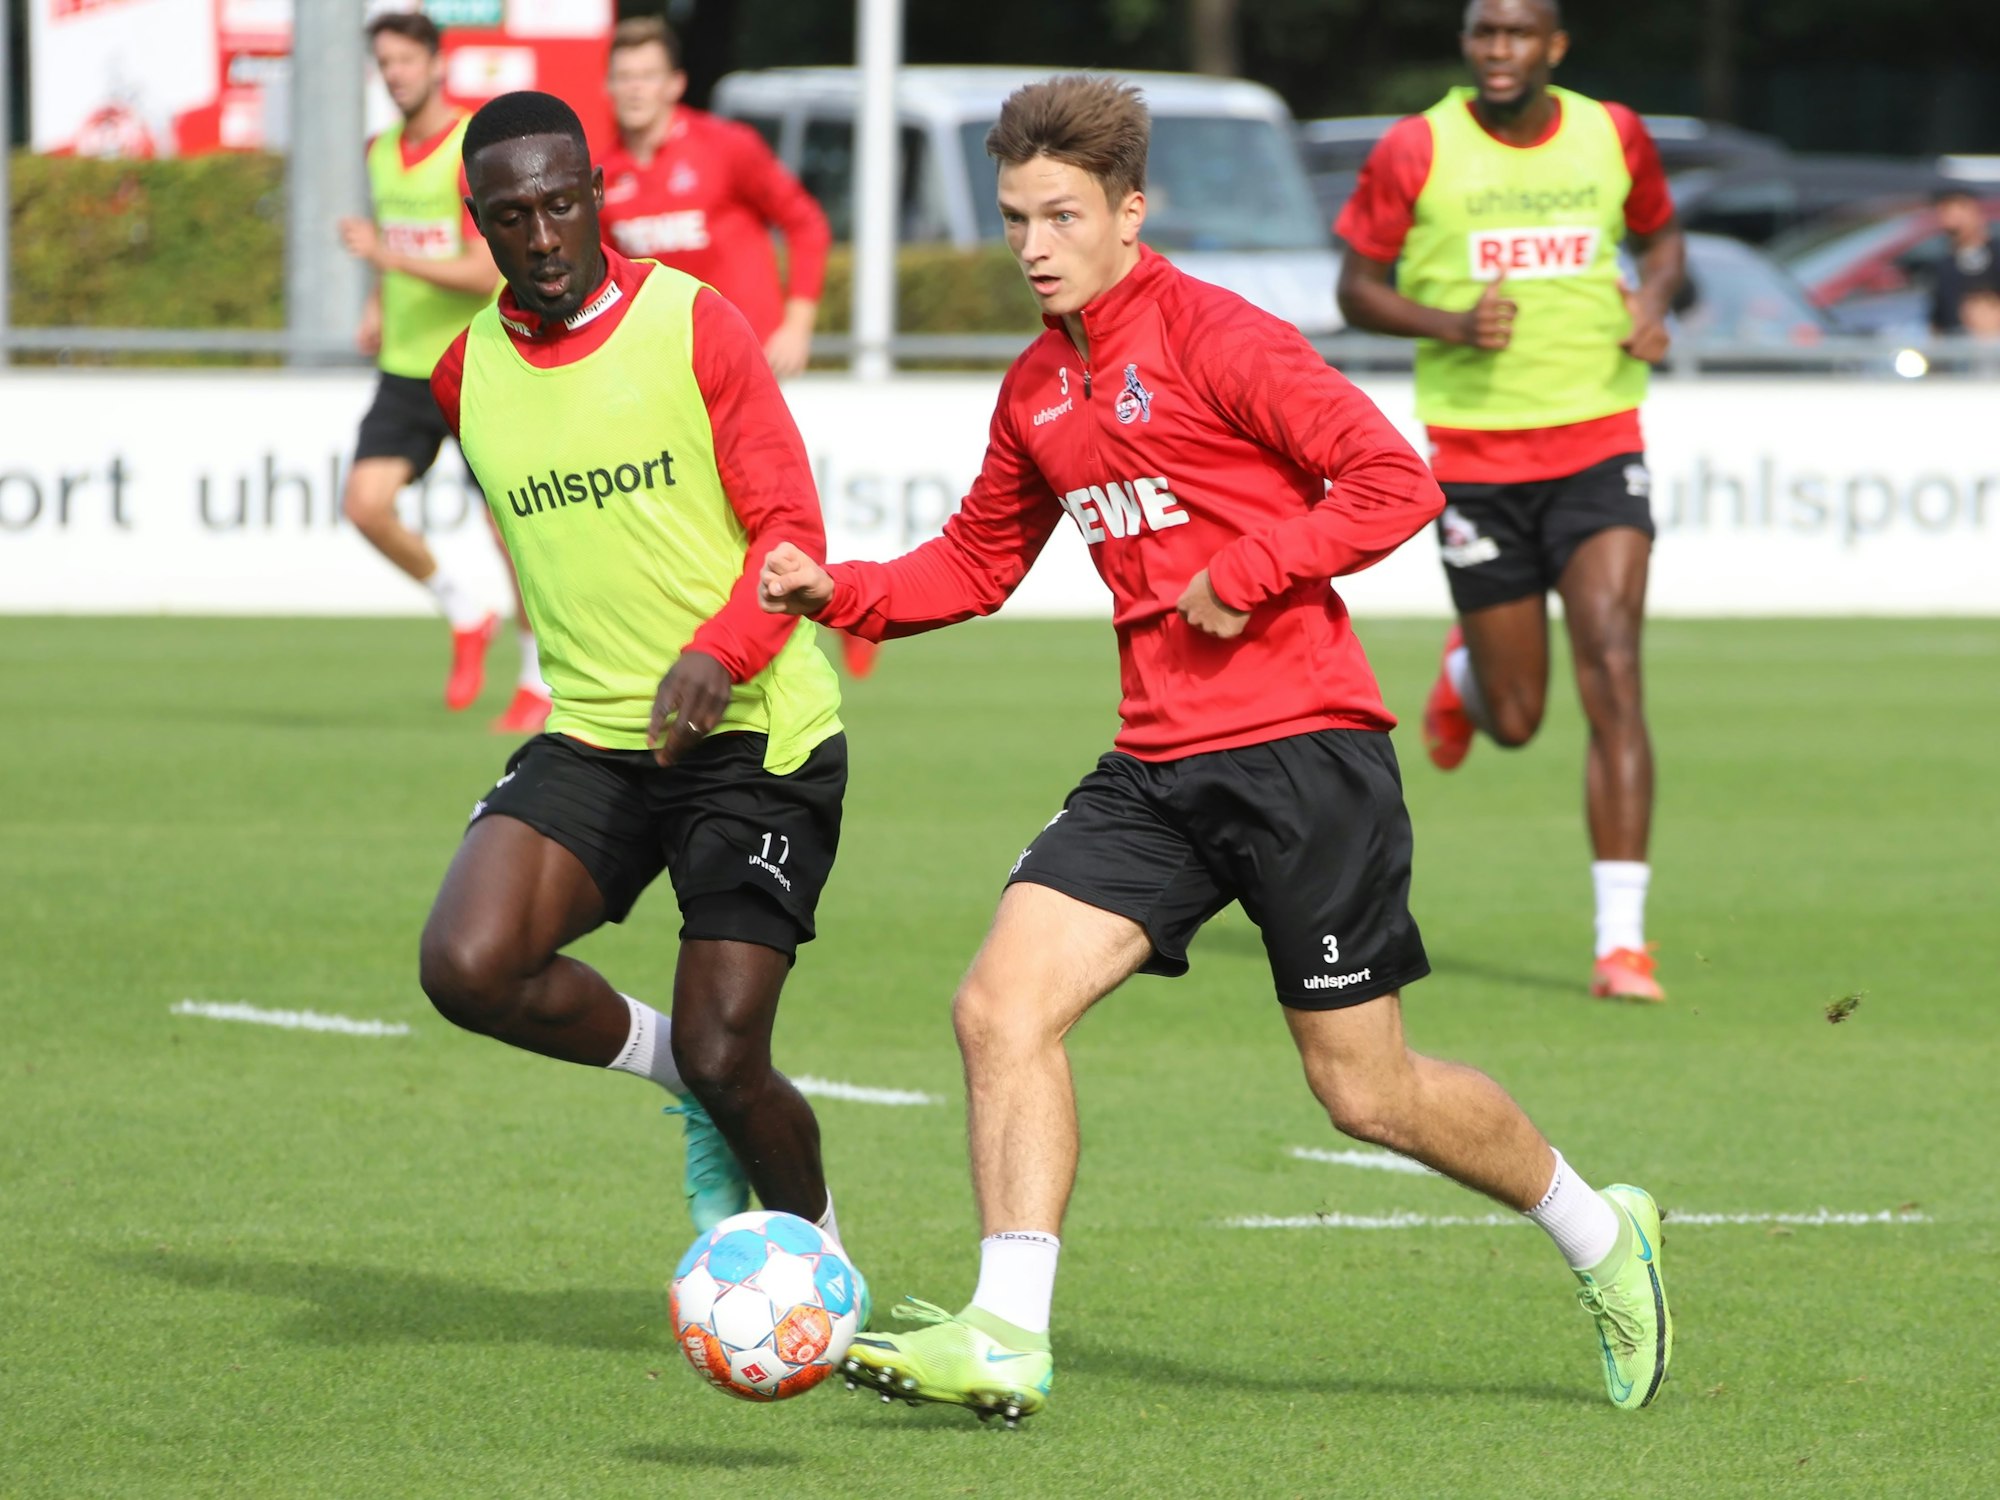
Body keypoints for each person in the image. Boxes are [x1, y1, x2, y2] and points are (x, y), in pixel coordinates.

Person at [759, 74, 1672, 1425]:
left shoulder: (1217, 336)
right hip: (1157, 771)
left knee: (1367, 1092)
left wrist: (1254, 568)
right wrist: (834, 591)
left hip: (1307, 754)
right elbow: (976, 559)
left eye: (1062, 215)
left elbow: (1393, 480)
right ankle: (1009, 1330)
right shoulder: (1037, 387)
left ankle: (1605, 1234)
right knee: (999, 1008)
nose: (1032, 245)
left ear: (1131, 212)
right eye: (1016, 216)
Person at [417, 90, 862, 1287]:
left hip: (754, 732)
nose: (544, 235)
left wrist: (718, 650)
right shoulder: (464, 377)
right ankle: (671, 1077)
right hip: (598, 740)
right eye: (512, 216)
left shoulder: (695, 323)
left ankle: (825, 1273)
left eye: (562, 203)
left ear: (596, 197)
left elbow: (788, 528)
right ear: (481, 223)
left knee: (735, 1059)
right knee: (467, 966)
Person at [1333, 0, 1685, 1003]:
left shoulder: (1611, 133)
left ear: (1553, 47)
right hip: (1475, 463)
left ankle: (1621, 944)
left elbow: (1662, 244)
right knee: (1520, 716)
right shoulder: (1415, 148)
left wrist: (1650, 307)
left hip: (1597, 444)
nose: (1497, 51)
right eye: (1482, 33)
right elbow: (1354, 288)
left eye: (1516, 34)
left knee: (1612, 668)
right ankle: (1464, 676)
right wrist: (1446, 319)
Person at [597, 16, 880, 681]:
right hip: (666, 369)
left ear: (675, 84)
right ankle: (801, 609)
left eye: (647, 75)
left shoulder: (727, 147)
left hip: (747, 359)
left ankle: (840, 605)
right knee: (706, 508)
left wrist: (799, 320)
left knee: (769, 505)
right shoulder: (604, 176)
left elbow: (805, 222)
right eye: (624, 77)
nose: (635, 89)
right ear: (609, 86)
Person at [338, 11, 551, 733]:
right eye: (385, 63)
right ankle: (465, 610)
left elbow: (477, 268)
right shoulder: (380, 151)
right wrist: (376, 299)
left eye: (405, 61)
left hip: (475, 364)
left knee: (510, 531)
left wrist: (385, 260)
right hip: (405, 368)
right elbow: (395, 245)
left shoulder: (470, 149)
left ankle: (536, 681)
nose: (395, 74)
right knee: (365, 505)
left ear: (436, 63)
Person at [1929, 187, 2000, 338]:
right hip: (1959, 350)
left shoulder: (1996, 255)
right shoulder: (1944, 266)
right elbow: (1938, 319)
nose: (1951, 221)